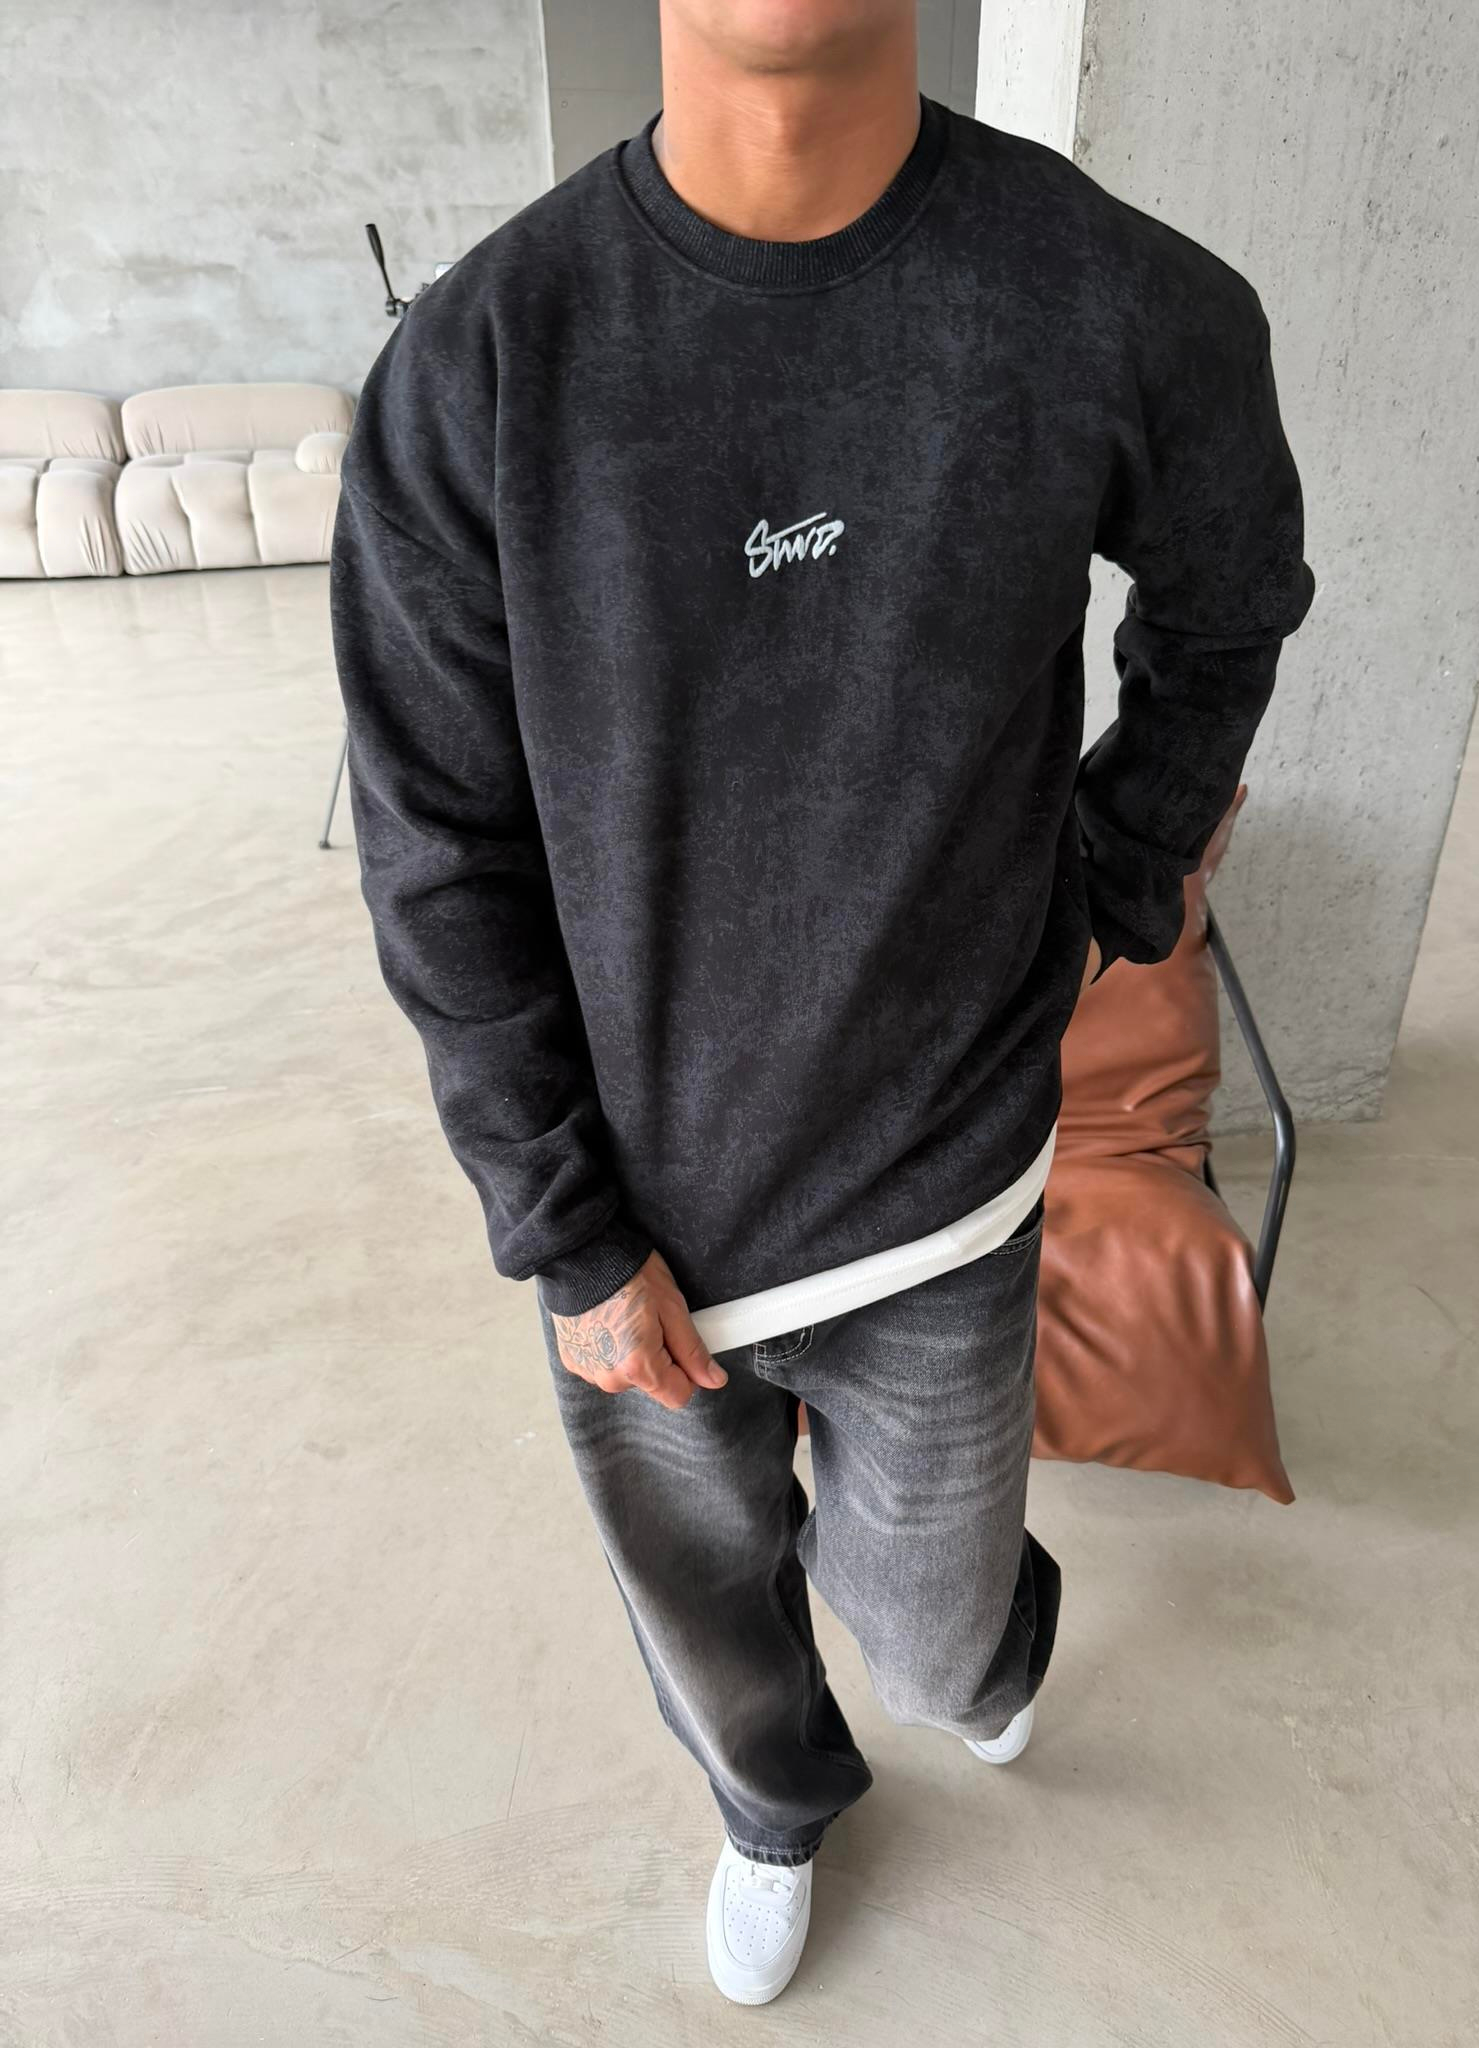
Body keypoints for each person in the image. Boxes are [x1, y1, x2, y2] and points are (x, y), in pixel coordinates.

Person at [329, 0, 1314, 2007]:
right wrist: (559, 1220)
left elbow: (1231, 599)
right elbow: (436, 843)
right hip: (637, 1201)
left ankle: (982, 1651)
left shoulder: (1109, 298)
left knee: (937, 1633)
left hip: (945, 1174)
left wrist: (1116, 877)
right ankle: (772, 1809)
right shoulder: (481, 363)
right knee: (709, 1608)